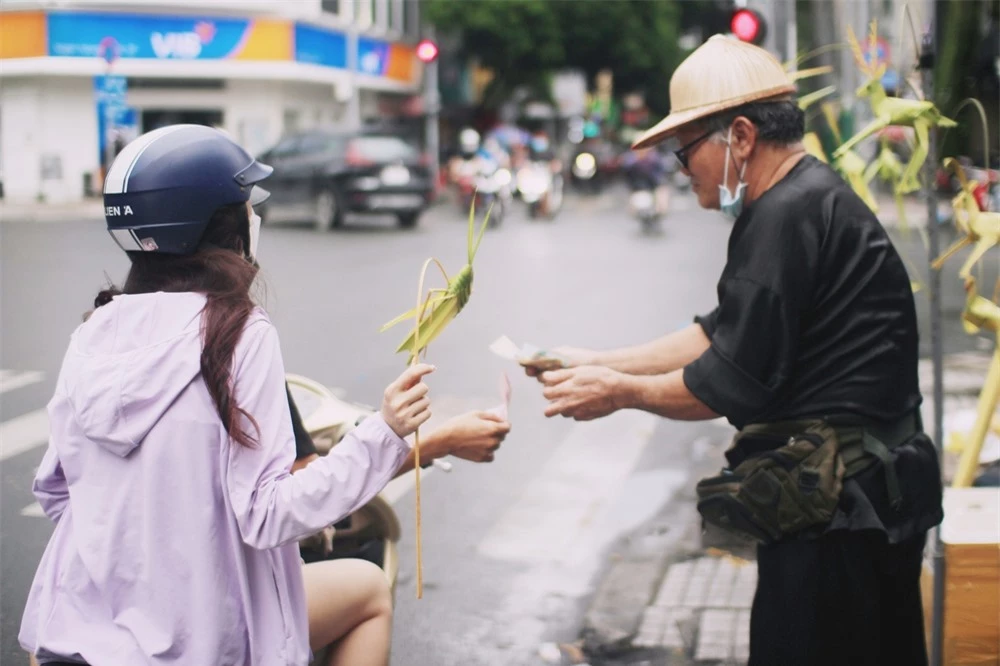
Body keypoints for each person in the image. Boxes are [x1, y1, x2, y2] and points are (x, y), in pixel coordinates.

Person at [19, 124, 508, 666]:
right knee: (368, 592)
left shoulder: (93, 333)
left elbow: (56, 492)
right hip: (198, 643)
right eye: (247, 204)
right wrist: (386, 430)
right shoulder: (235, 331)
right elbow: (268, 513)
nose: (256, 216)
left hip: (77, 633)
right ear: (223, 225)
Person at [525, 35, 942, 666]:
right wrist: (597, 361)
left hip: (844, 516)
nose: (680, 166)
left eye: (686, 149)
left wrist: (618, 393)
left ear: (741, 137)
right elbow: (719, 330)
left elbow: (725, 382)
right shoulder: (805, 195)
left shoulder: (784, 213)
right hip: (869, 503)